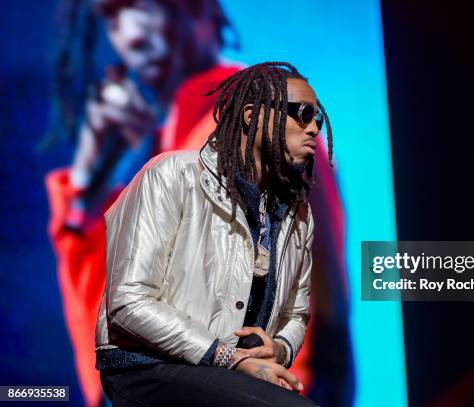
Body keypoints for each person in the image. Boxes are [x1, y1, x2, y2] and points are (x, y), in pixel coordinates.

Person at [46, 1, 351, 406]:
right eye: (113, 16)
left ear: (204, 11)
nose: (130, 34)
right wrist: (87, 190)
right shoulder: (173, 141)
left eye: (145, 6)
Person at [96, 62, 327, 406]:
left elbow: (296, 314)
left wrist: (277, 348)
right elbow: (129, 302)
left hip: (228, 374)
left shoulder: (298, 214)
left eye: (318, 120)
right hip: (148, 365)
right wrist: (228, 357)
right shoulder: (172, 175)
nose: (313, 129)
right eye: (303, 114)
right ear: (252, 115)